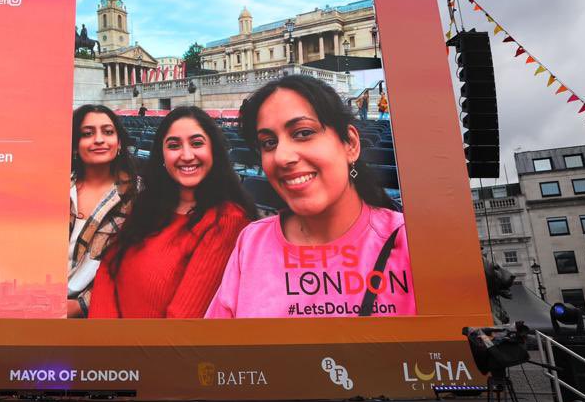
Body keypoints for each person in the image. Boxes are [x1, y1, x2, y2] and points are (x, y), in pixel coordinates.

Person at [206, 75, 415, 318]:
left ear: (350, 144)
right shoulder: (251, 242)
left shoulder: (413, 245)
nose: (282, 157)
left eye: (303, 133)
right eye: (269, 142)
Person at [89, 106, 256, 318]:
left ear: (214, 151)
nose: (186, 155)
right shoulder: (149, 204)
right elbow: (108, 267)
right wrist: (103, 338)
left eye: (197, 143)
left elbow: (180, 325)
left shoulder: (227, 221)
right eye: (174, 145)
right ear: (162, 155)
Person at [69, 104, 138, 318]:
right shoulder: (51, 186)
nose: (99, 139)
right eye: (87, 133)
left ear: (118, 143)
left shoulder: (139, 197)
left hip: (95, 312)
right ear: (74, 146)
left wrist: (79, 306)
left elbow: (132, 269)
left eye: (108, 132)